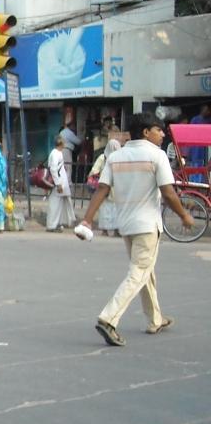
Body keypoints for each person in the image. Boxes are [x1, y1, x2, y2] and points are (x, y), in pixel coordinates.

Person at [81, 113, 194, 347]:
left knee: (145, 272)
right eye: (158, 130)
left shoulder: (116, 157)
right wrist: (184, 215)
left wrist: (87, 220)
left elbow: (102, 189)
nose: (162, 134)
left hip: (127, 225)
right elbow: (168, 192)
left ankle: (155, 319)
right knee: (139, 272)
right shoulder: (157, 155)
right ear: (145, 132)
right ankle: (108, 318)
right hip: (147, 225)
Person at [89, 138, 122, 236]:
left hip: (111, 188)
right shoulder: (105, 158)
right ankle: (109, 230)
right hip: (111, 188)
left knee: (108, 209)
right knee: (110, 209)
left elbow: (94, 171)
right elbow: (95, 171)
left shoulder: (104, 158)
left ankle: (113, 230)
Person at [46, 134, 75, 232]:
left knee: (60, 205)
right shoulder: (55, 154)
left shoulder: (58, 153)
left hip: (61, 183)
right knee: (55, 204)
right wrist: (58, 184)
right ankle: (52, 225)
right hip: (58, 184)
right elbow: (53, 169)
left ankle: (58, 223)